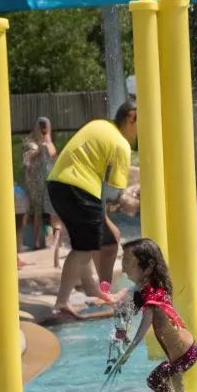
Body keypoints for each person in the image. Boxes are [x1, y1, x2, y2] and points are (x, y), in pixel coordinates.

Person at [45, 103, 138, 319]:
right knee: (83, 249)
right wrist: (132, 203)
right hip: (80, 189)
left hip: (57, 185)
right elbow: (114, 193)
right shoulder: (120, 145)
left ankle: (95, 290)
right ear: (132, 118)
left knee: (92, 241)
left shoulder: (99, 125)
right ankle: (62, 302)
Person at [112, 238, 197, 392]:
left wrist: (125, 355)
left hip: (183, 356)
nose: (123, 268)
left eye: (128, 262)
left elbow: (139, 335)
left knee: (155, 381)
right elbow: (131, 291)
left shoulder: (153, 303)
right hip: (186, 350)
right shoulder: (158, 287)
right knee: (163, 382)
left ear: (148, 267)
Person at [22, 117, 57, 252]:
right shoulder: (29, 142)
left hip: (48, 179)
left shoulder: (48, 141)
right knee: (37, 212)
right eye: (42, 126)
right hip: (35, 182)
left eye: (46, 126)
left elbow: (53, 155)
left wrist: (47, 140)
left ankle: (51, 241)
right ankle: (36, 242)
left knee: (51, 210)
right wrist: (39, 149)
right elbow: (26, 160)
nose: (43, 128)